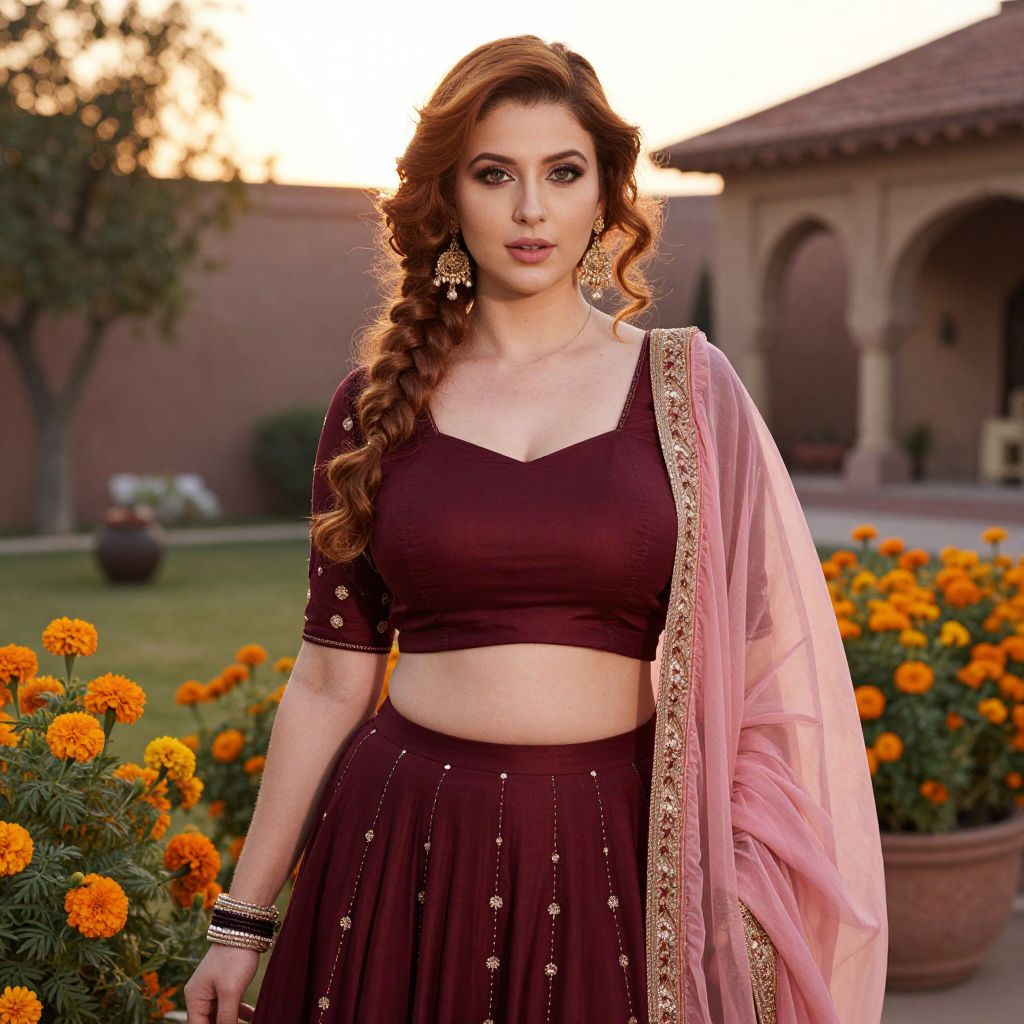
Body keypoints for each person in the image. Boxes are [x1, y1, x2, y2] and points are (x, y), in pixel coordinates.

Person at [183, 35, 888, 1024]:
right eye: (493, 174)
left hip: (617, 852)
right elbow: (330, 679)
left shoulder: (687, 391)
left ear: (604, 195)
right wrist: (240, 922)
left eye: (562, 172)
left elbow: (761, 677)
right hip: (401, 842)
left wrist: (736, 888)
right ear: (447, 194)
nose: (529, 209)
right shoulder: (375, 406)